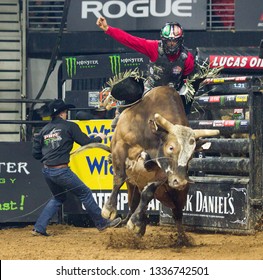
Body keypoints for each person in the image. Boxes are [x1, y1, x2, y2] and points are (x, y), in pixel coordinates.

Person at [31, 99, 121, 236]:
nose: (66, 114)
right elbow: (85, 142)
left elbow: (36, 154)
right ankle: (102, 223)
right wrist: (99, 137)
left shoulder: (44, 131)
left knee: (58, 198)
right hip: (61, 170)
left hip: (47, 171)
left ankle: (39, 228)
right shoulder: (69, 127)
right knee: (85, 193)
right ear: (61, 113)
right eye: (65, 112)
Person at [96, 16, 196, 119]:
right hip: (149, 89)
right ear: (163, 40)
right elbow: (130, 40)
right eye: (168, 41)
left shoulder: (187, 58)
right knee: (131, 89)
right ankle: (121, 115)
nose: (171, 44)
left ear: (180, 41)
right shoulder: (153, 47)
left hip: (172, 93)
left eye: (174, 41)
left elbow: (186, 78)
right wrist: (108, 29)